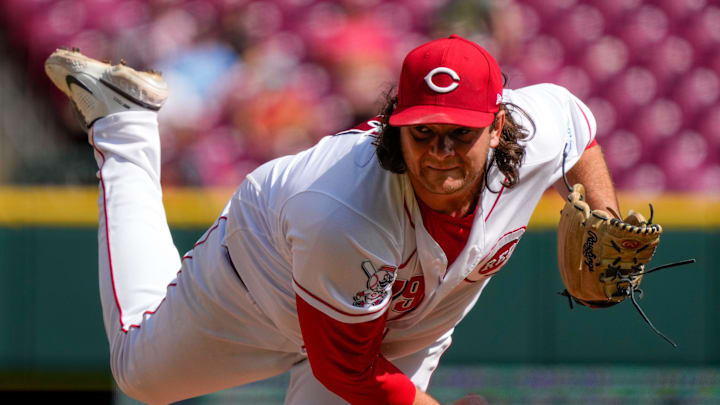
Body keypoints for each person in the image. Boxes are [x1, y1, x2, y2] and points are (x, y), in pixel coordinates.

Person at [44, 35, 618, 405]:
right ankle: (125, 124)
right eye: (423, 131)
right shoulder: (344, 209)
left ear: (497, 127)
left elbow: (577, 125)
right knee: (141, 376)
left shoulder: (532, 129)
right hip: (258, 286)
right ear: (398, 124)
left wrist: (606, 212)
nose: (440, 149)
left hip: (404, 323)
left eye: (459, 133)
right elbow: (346, 370)